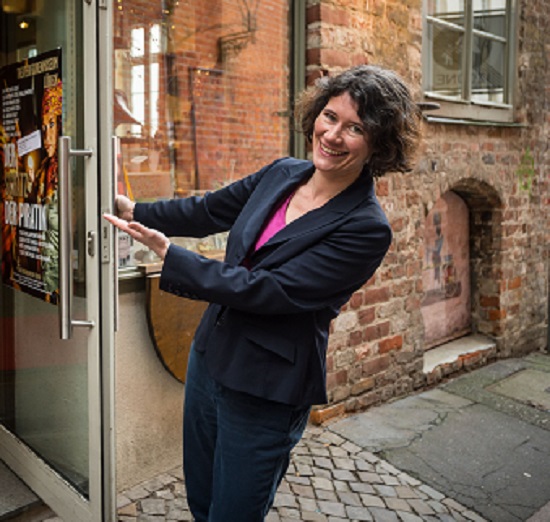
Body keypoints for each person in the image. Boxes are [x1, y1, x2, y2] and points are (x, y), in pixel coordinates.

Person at [104, 64, 421, 521]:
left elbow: (269, 291)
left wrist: (172, 256)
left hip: (265, 388)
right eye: (330, 116)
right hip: (210, 355)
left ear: (379, 144)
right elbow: (209, 210)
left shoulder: (366, 228)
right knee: (201, 500)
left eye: (355, 128)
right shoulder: (283, 173)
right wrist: (134, 210)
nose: (333, 135)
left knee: (233, 513)